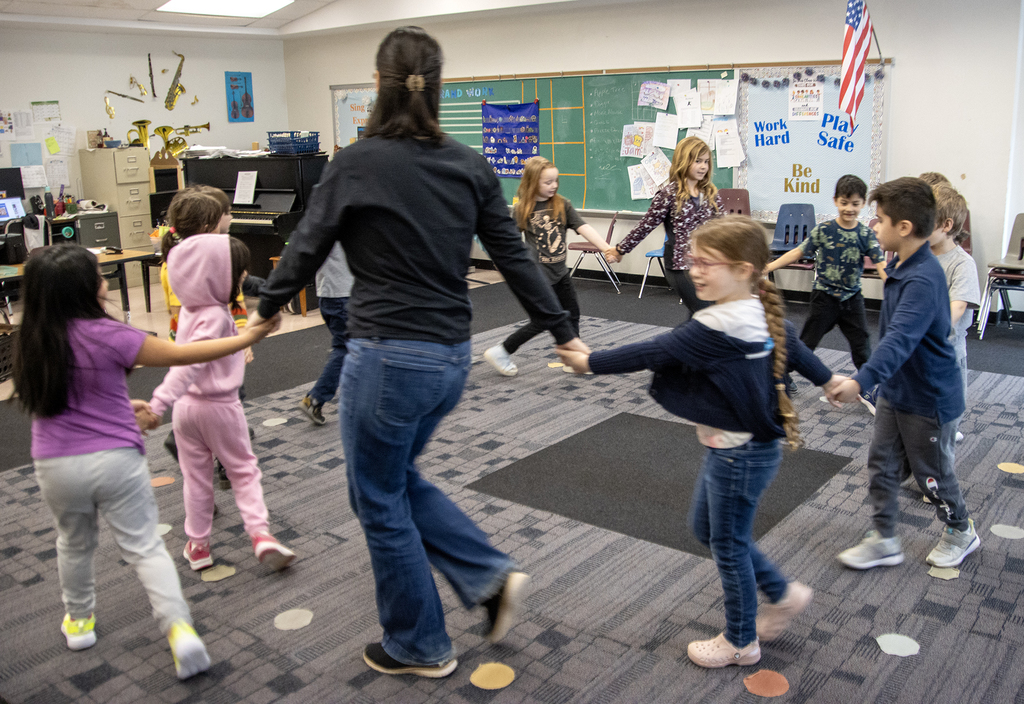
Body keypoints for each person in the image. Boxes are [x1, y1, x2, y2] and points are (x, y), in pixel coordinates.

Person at [251, 26, 588, 678]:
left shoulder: (355, 161)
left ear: (378, 84)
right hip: (450, 358)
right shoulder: (470, 165)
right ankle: (487, 578)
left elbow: (306, 245)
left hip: (386, 360)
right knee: (394, 479)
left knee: (376, 497)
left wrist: (264, 312)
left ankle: (420, 643)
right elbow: (515, 258)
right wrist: (562, 332)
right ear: (437, 87)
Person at [559, 215, 842, 669]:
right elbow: (794, 346)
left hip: (738, 455)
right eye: (693, 260)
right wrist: (829, 380)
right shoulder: (755, 308)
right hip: (738, 449)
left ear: (744, 270)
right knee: (708, 530)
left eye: (707, 263)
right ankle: (783, 594)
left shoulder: (717, 323)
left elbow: (653, 352)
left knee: (727, 543)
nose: (695, 271)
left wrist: (591, 362)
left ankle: (741, 641)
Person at [12, 245, 278, 679]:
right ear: (85, 288)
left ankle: (79, 622)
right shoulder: (109, 332)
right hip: (116, 458)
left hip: (56, 464)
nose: (105, 284)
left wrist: (123, 407)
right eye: (100, 277)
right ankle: (180, 630)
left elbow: (70, 399)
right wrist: (249, 336)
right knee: (145, 547)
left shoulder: (32, 339)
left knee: (73, 543)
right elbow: (185, 355)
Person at [830, 177, 980, 571]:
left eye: (879, 220)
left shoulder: (923, 278)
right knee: (882, 464)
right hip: (897, 390)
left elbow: (898, 341)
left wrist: (859, 381)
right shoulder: (899, 264)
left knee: (932, 475)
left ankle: (960, 530)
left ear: (904, 227)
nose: (873, 226)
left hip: (929, 397)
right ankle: (884, 537)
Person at [144, 207, 296, 573]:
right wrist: (158, 402)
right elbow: (192, 364)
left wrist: (257, 326)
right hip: (219, 408)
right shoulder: (215, 316)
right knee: (243, 471)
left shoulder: (192, 310)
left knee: (197, 481)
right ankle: (260, 535)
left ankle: (198, 546)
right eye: (237, 272)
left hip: (186, 412)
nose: (243, 277)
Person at [483, 156, 615, 376]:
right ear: (532, 182)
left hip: (560, 273)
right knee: (544, 320)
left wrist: (606, 248)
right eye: (547, 182)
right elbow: (508, 243)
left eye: (556, 181)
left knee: (572, 314)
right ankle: (502, 351)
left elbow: (583, 227)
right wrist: (506, 269)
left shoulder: (562, 204)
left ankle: (573, 360)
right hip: (538, 277)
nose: (554, 186)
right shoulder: (522, 209)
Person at [764, 175, 887, 409]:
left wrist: (892, 285)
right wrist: (769, 266)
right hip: (824, 298)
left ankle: (870, 388)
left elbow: (880, 263)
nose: (849, 208)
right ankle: (781, 376)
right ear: (835, 201)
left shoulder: (865, 234)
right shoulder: (824, 230)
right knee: (806, 344)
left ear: (863, 204)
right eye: (844, 202)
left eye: (855, 204)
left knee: (862, 346)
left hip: (852, 300)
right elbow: (798, 252)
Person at [160, 186, 254, 490]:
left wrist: (241, 333)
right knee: (211, 398)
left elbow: (235, 298)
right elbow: (183, 313)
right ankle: (205, 454)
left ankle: (224, 457)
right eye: (226, 214)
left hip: (222, 340)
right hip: (197, 346)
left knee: (229, 395)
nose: (230, 219)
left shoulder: (217, 255)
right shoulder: (180, 263)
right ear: (208, 224)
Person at [605, 136, 722, 316]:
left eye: (706, 162)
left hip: (706, 264)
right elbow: (645, 226)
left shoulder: (710, 193)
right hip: (680, 266)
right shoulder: (668, 195)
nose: (703, 167)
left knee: (704, 316)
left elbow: (725, 227)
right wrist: (620, 249)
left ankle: (688, 335)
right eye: (698, 161)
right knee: (707, 314)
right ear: (684, 161)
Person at [299, 242, 353, 424]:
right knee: (345, 348)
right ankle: (315, 398)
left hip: (328, 295)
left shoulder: (323, 226)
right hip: (343, 295)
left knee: (353, 347)